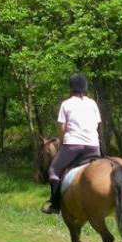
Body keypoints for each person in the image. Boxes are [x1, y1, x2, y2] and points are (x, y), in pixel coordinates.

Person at [41, 73, 102, 215]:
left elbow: (62, 128)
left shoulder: (66, 104)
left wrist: (63, 142)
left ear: (71, 87)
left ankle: (55, 205)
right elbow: (97, 124)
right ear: (85, 87)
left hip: (73, 146)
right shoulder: (92, 103)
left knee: (53, 171)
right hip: (93, 147)